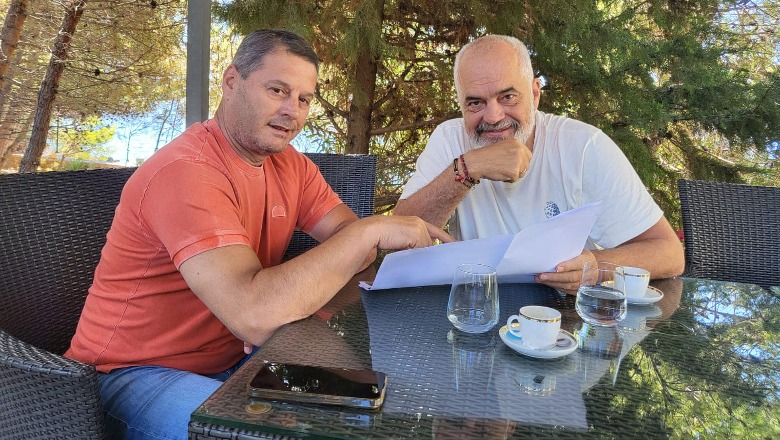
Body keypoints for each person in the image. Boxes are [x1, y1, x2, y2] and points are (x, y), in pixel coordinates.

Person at [65, 29, 450, 440]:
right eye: (277, 90)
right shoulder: (187, 171)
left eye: (304, 99)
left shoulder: (291, 166)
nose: (292, 111)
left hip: (237, 358)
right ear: (232, 81)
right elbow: (257, 313)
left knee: (361, 405)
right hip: (127, 374)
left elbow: (356, 252)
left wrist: (285, 311)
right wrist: (369, 231)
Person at [394, 34, 684, 293]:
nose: (493, 117)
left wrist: (594, 266)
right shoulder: (449, 138)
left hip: (564, 316)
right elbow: (399, 240)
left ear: (534, 94)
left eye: (508, 97)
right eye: (475, 103)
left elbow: (669, 254)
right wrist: (467, 169)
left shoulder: (584, 145)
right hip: (478, 306)